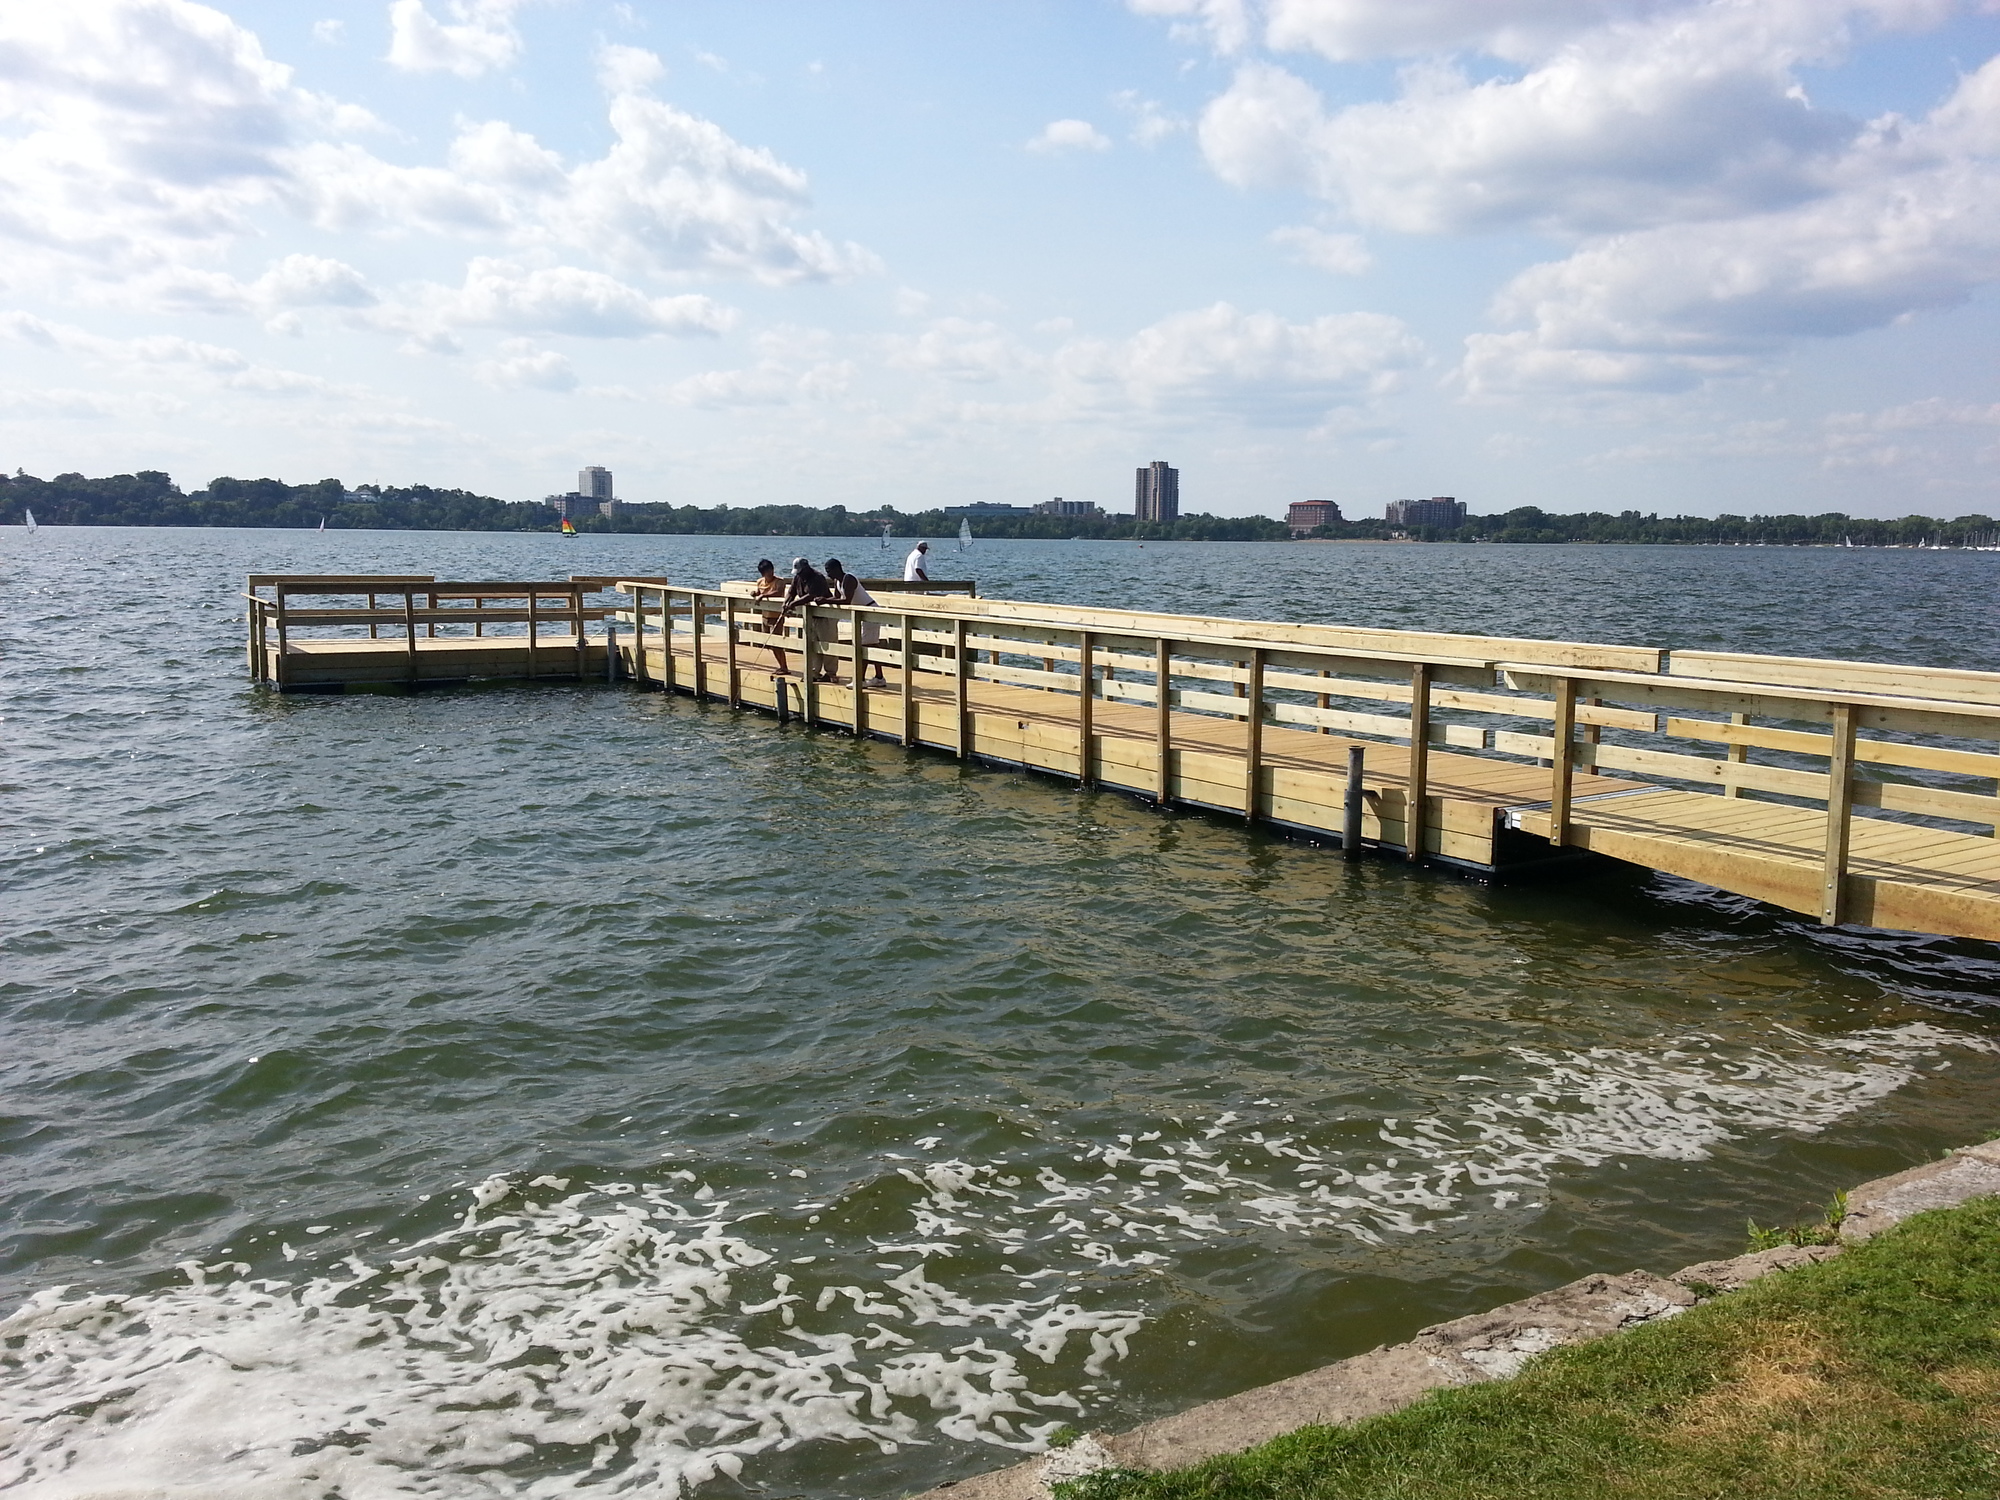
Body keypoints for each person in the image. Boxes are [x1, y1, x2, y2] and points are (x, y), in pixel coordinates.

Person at [825, 559, 886, 686]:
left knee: (864, 646)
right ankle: (879, 678)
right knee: (872, 645)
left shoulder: (849, 579)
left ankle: (860, 680)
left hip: (871, 611)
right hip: (863, 614)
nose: (828, 574)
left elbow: (846, 600)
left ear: (837, 568)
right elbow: (837, 598)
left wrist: (825, 601)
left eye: (829, 571)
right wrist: (824, 599)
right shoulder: (837, 582)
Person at [779, 556, 838, 681]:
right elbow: (791, 591)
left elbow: (811, 596)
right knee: (811, 644)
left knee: (827, 644)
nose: (799, 574)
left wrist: (793, 604)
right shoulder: (798, 577)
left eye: (800, 571)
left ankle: (831, 673)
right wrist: (786, 602)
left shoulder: (817, 577)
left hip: (825, 616)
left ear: (806, 568)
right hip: (810, 616)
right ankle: (813, 672)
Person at [749, 557, 791, 674]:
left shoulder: (779, 581)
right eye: (768, 571)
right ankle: (781, 665)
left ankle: (784, 667)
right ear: (763, 573)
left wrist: (763, 595)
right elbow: (759, 591)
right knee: (768, 643)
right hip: (765, 616)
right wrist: (755, 593)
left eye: (772, 570)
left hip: (776, 616)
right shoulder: (760, 582)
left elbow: (777, 592)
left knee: (776, 643)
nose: (771, 573)